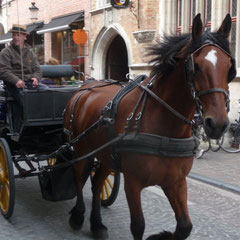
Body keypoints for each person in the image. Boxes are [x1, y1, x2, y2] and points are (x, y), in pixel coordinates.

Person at [0, 24, 44, 132]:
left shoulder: (30, 53)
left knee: (47, 92)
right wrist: (16, 80)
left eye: (18, 35)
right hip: (13, 86)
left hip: (30, 82)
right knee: (27, 99)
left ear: (24, 36)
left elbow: (38, 70)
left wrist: (36, 78)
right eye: (14, 35)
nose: (15, 37)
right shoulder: (6, 52)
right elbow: (4, 71)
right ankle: (27, 128)